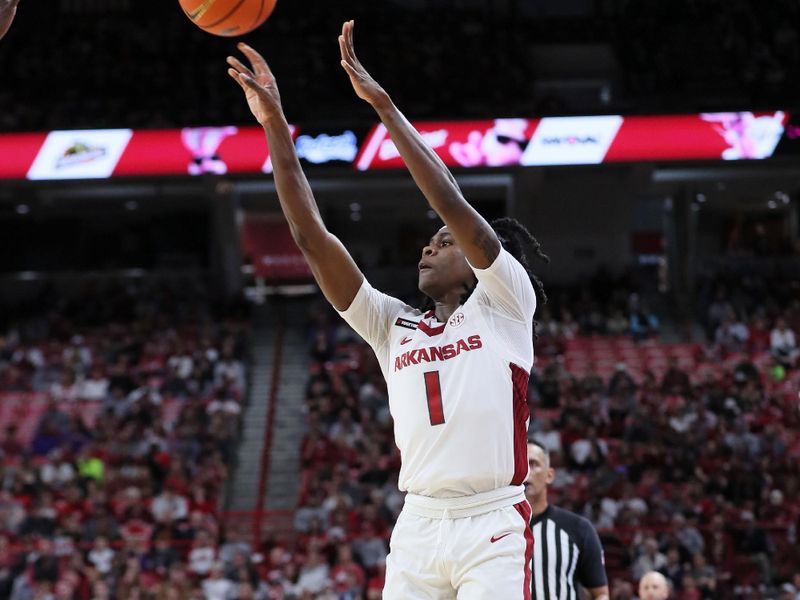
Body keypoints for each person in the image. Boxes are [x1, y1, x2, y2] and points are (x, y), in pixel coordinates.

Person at [227, 18, 549, 599]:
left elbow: (450, 201)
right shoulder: (391, 324)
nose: (431, 244)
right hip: (420, 526)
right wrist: (276, 125)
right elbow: (312, 238)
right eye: (430, 240)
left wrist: (383, 106)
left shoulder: (505, 303)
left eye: (445, 241)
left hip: (493, 523)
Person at [525, 441, 609, 600]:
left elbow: (600, 594)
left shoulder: (578, 528)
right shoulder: (494, 529)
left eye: (533, 463)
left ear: (550, 475)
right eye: (520, 464)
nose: (525, 471)